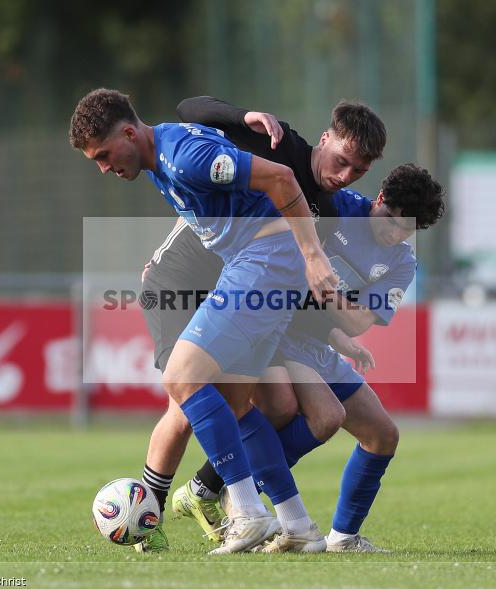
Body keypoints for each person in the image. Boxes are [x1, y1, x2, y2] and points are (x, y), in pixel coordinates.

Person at [69, 88, 336, 554]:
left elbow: (282, 177)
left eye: (105, 155)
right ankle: (298, 526)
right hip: (263, 266)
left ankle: (249, 513)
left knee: (182, 377)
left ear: (130, 134)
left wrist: (313, 257)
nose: (105, 167)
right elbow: (194, 107)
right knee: (237, 404)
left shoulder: (184, 157)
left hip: (264, 263)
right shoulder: (161, 157)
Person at [135, 96, 387, 551]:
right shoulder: (278, 143)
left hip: (239, 291)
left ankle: (254, 509)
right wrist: (241, 116)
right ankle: (147, 520)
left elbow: (297, 282)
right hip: (182, 277)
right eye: (342, 161)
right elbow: (190, 110)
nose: (345, 175)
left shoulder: (326, 215)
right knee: (185, 393)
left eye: (358, 172)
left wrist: (333, 332)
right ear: (324, 139)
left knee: (274, 405)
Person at [185, 164, 446, 552]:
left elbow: (358, 321)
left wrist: (318, 281)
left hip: (316, 341)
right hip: (276, 328)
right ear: (379, 200)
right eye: (390, 220)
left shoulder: (402, 263)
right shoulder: (334, 206)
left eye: (405, 230)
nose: (394, 234)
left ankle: (342, 537)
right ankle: (237, 496)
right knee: (321, 416)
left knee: (382, 434)